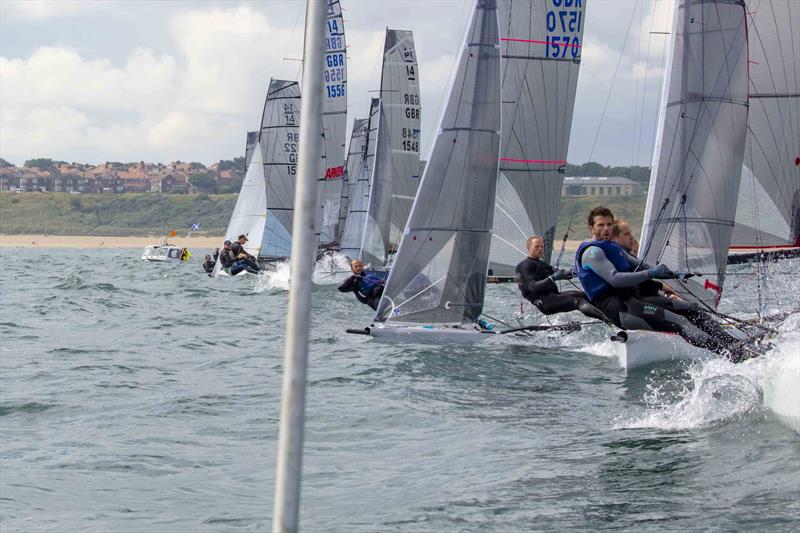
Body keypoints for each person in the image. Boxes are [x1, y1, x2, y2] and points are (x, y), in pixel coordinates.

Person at [576, 206, 743, 359]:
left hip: (634, 301)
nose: (606, 229)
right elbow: (615, 279)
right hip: (622, 310)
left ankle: (734, 343)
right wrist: (650, 273)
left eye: (609, 224)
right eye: (600, 225)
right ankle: (729, 353)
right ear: (591, 228)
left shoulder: (613, 247)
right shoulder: (592, 253)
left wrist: (675, 274)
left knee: (692, 309)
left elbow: (644, 266)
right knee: (680, 322)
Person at [516, 236, 607, 322]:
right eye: (537, 246)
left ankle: (609, 315)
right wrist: (553, 277)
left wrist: (577, 271)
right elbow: (533, 287)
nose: (540, 249)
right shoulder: (524, 265)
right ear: (528, 247)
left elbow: (560, 273)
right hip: (545, 302)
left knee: (583, 295)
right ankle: (608, 321)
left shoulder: (541, 263)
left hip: (554, 296)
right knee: (579, 301)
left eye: (542, 247)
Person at [612, 219, 679, 300]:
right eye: (626, 234)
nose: (631, 236)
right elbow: (644, 282)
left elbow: (646, 283)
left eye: (630, 233)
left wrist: (667, 294)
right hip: (633, 303)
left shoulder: (629, 257)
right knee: (691, 308)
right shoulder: (621, 260)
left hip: (642, 299)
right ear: (614, 238)